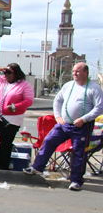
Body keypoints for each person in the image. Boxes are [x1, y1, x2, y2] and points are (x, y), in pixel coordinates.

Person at [25, 62, 103, 191]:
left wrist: (84, 119)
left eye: (78, 71)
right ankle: (37, 167)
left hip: (82, 126)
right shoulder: (68, 86)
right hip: (64, 124)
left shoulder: (94, 88)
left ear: (86, 73)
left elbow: (99, 108)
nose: (75, 74)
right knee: (49, 140)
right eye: (73, 71)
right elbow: (58, 100)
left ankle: (76, 180)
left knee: (79, 152)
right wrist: (58, 116)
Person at [0, 63, 34, 170]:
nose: (6, 75)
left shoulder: (24, 85)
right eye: (5, 72)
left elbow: (29, 100)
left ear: (16, 73)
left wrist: (15, 106)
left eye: (9, 73)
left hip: (11, 119)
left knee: (5, 143)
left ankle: (2, 166)